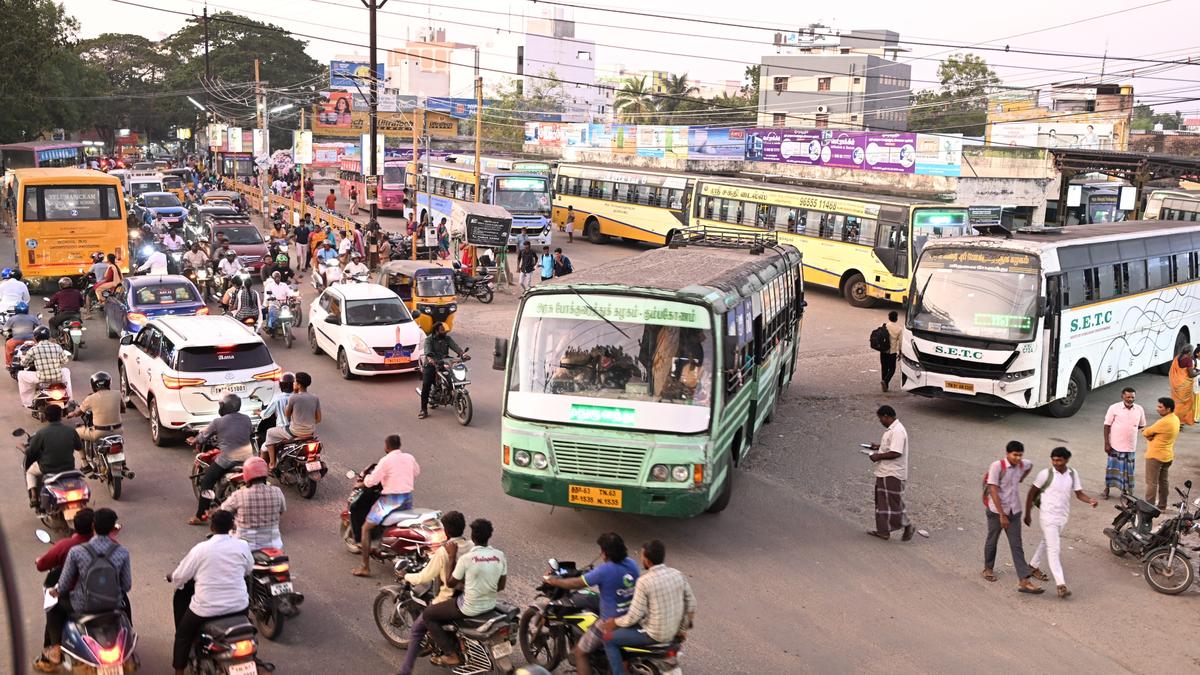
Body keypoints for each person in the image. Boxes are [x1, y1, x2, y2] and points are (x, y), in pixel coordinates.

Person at [169, 509, 254, 675]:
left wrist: (172, 577)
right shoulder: (242, 545)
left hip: (206, 610)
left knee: (183, 635)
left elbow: (180, 576)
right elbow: (248, 569)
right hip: (240, 607)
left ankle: (179, 671)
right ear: (232, 526)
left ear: (211, 527)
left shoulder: (201, 549)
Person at [46, 508, 131, 672]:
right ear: (113, 527)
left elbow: (63, 585)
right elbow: (126, 585)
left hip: (82, 605)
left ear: (93, 526)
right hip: (113, 605)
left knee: (54, 608)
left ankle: (55, 649)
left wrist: (54, 591)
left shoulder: (77, 552)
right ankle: (129, 654)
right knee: (125, 604)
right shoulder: (122, 552)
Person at [544, 533, 640, 675]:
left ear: (606, 552)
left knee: (580, 652)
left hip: (610, 622)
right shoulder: (632, 563)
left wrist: (553, 580)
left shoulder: (605, 570)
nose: (600, 552)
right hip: (632, 615)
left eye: (601, 549)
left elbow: (577, 584)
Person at [395, 511, 474, 675]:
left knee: (418, 628)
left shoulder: (444, 551)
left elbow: (425, 576)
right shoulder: (472, 546)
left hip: (449, 599)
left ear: (446, 530)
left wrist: (406, 575)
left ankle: (405, 671)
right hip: (469, 594)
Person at [601, 540, 695, 675]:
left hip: (654, 634)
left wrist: (614, 622)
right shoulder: (677, 574)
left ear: (647, 560)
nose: (641, 558)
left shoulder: (645, 581)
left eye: (642, 556)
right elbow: (691, 604)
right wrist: (682, 629)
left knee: (608, 639)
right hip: (673, 632)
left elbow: (634, 616)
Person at [424, 519, 506, 668]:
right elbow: (500, 586)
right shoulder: (500, 555)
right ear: (489, 536)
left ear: (473, 537)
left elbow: (450, 583)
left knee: (429, 614)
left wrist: (451, 556)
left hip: (468, 607)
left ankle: (451, 655)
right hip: (490, 604)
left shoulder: (466, 559)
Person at [1025, 447, 1098, 599]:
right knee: (1054, 548)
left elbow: (1079, 494)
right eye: (1053, 460)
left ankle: (1032, 566)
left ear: (1066, 460)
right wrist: (1027, 514)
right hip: (1047, 517)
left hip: (1062, 517)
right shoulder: (1045, 474)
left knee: (1047, 542)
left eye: (1059, 460)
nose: (1056, 463)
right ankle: (1060, 584)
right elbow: (1031, 493)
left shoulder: (1073, 474)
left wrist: (1090, 500)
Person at [33, 508, 96, 671]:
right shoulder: (106, 546)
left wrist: (39, 561)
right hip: (106, 597)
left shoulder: (67, 547)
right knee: (123, 598)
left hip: (77, 600)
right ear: (94, 527)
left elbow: (43, 566)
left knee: (52, 603)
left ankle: (54, 650)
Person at [352, 434, 420, 577]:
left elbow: (371, 481)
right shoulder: (409, 458)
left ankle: (365, 566)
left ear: (387, 446)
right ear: (399, 445)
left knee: (365, 528)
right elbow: (416, 472)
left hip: (390, 501)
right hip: (407, 498)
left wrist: (362, 483)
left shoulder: (385, 460)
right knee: (399, 526)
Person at [982, 441, 1042, 593]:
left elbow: (1030, 464)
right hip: (997, 511)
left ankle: (1024, 580)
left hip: (1014, 511)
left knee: (1017, 546)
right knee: (992, 539)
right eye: (1015, 455)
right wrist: (1002, 515)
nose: (1018, 458)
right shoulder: (997, 466)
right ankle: (988, 568)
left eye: (1020, 455)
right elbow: (993, 490)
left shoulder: (1023, 464)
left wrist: (1021, 478)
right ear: (1007, 453)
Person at [188, 394, 255, 525]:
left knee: (207, 482)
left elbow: (202, 437)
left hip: (228, 459)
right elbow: (249, 432)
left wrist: (193, 440)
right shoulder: (247, 419)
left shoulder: (218, 422)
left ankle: (200, 515)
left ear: (226, 407)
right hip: (248, 457)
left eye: (221, 405)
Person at [866, 404, 915, 541]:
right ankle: (883, 531)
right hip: (885, 472)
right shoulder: (892, 430)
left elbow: (896, 452)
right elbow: (890, 447)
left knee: (893, 504)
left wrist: (877, 456)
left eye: (881, 418)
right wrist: (879, 447)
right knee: (882, 503)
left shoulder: (898, 431)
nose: (880, 421)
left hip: (892, 473)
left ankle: (907, 525)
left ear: (886, 416)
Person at [220, 457, 286, 550]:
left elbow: (223, 512)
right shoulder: (277, 491)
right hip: (274, 546)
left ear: (246, 475)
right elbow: (281, 511)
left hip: (245, 547)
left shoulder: (239, 495)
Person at [23, 404, 82, 506]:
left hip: (47, 468)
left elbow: (30, 452)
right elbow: (79, 446)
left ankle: (34, 496)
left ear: (46, 417)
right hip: (69, 467)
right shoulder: (71, 430)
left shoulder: (41, 433)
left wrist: (21, 447)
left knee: (30, 472)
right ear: (61, 415)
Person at [66, 371, 123, 472]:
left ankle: (85, 464)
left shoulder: (90, 398)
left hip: (99, 433)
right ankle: (122, 463)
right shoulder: (118, 394)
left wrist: (72, 414)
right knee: (119, 443)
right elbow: (123, 409)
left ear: (93, 385)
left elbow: (79, 412)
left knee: (76, 432)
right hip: (118, 431)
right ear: (109, 383)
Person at [263, 371, 320, 469]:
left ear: (298, 384)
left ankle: (272, 463)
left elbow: (287, 414)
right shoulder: (315, 398)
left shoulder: (293, 398)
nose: (293, 384)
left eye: (294, 382)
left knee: (269, 432)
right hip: (311, 432)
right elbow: (318, 419)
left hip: (295, 432)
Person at [1102, 387, 1145, 499]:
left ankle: (1127, 492)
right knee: (1111, 469)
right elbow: (1107, 425)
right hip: (1115, 445)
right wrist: (1107, 443)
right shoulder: (1114, 408)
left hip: (1130, 446)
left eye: (1132, 397)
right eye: (1128, 397)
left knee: (1128, 471)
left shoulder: (1139, 409)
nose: (1130, 399)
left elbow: (1141, 425)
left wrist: (1130, 430)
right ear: (1122, 396)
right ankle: (1107, 489)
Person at [18, 325, 73, 408]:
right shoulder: (57, 346)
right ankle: (70, 400)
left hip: (41, 378)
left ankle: (28, 402)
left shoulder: (33, 349)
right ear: (48, 336)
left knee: (21, 374)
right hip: (58, 378)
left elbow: (24, 363)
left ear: (36, 337)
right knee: (66, 370)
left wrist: (22, 359)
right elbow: (65, 361)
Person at [418, 322, 464, 419]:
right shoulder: (429, 340)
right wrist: (431, 360)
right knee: (426, 384)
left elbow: (455, 346)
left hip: (444, 361)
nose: (444, 332)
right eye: (442, 330)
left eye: (444, 330)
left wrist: (462, 354)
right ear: (436, 331)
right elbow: (428, 352)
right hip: (431, 364)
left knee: (453, 377)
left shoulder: (447, 338)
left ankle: (451, 394)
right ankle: (423, 409)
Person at [1142, 396, 1180, 510]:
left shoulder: (1164, 422)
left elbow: (1146, 432)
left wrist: (1149, 434)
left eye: (1160, 407)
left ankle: (1149, 507)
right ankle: (1162, 505)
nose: (1157, 409)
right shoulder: (1175, 419)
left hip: (1155, 456)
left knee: (1151, 483)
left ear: (1168, 409)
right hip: (1167, 455)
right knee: (1163, 481)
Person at [1168, 342, 1197, 426]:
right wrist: (1198, 372)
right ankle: (1179, 421)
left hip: (1176, 384)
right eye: (1191, 352)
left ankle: (1175, 419)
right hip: (1184, 385)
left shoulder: (1177, 358)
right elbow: (1191, 374)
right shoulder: (1188, 360)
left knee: (1178, 403)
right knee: (1186, 403)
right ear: (1188, 352)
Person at [5, 301, 39, 366]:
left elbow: (5, 328)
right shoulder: (32, 317)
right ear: (27, 309)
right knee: (38, 348)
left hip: (16, 340)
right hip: (31, 339)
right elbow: (40, 326)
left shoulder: (12, 318)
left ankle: (9, 364)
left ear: (16, 309)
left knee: (8, 345)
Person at [880, 310, 902, 392]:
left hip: (883, 351)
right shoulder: (899, 329)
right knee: (892, 368)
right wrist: (900, 352)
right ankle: (885, 381)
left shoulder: (884, 325)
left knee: (884, 368)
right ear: (896, 318)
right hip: (892, 352)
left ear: (889, 318)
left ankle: (885, 385)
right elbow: (900, 342)